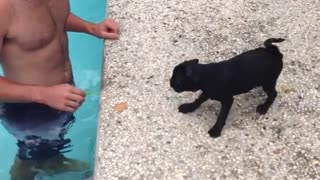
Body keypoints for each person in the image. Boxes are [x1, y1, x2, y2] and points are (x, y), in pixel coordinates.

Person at [0, 0, 120, 179]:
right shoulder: (4, 9)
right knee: (29, 160)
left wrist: (91, 28)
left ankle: (53, 162)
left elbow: (52, 21)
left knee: (51, 145)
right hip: (28, 108)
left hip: (60, 95)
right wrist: (43, 95)